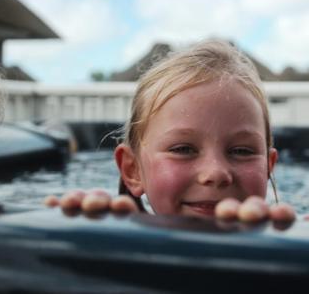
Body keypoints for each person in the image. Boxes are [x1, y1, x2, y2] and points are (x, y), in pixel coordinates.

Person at [45, 40, 295, 224]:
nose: (216, 173)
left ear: (268, 166)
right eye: (183, 149)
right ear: (133, 170)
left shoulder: (290, 239)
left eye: (242, 151)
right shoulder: (117, 240)